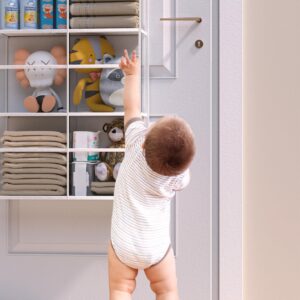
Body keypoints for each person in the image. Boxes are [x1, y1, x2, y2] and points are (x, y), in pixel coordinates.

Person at [108, 49, 196, 300]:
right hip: (155, 247)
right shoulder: (177, 177)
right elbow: (183, 175)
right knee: (166, 289)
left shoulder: (135, 143)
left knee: (120, 289)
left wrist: (132, 74)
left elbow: (131, 108)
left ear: (145, 142)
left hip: (123, 242)